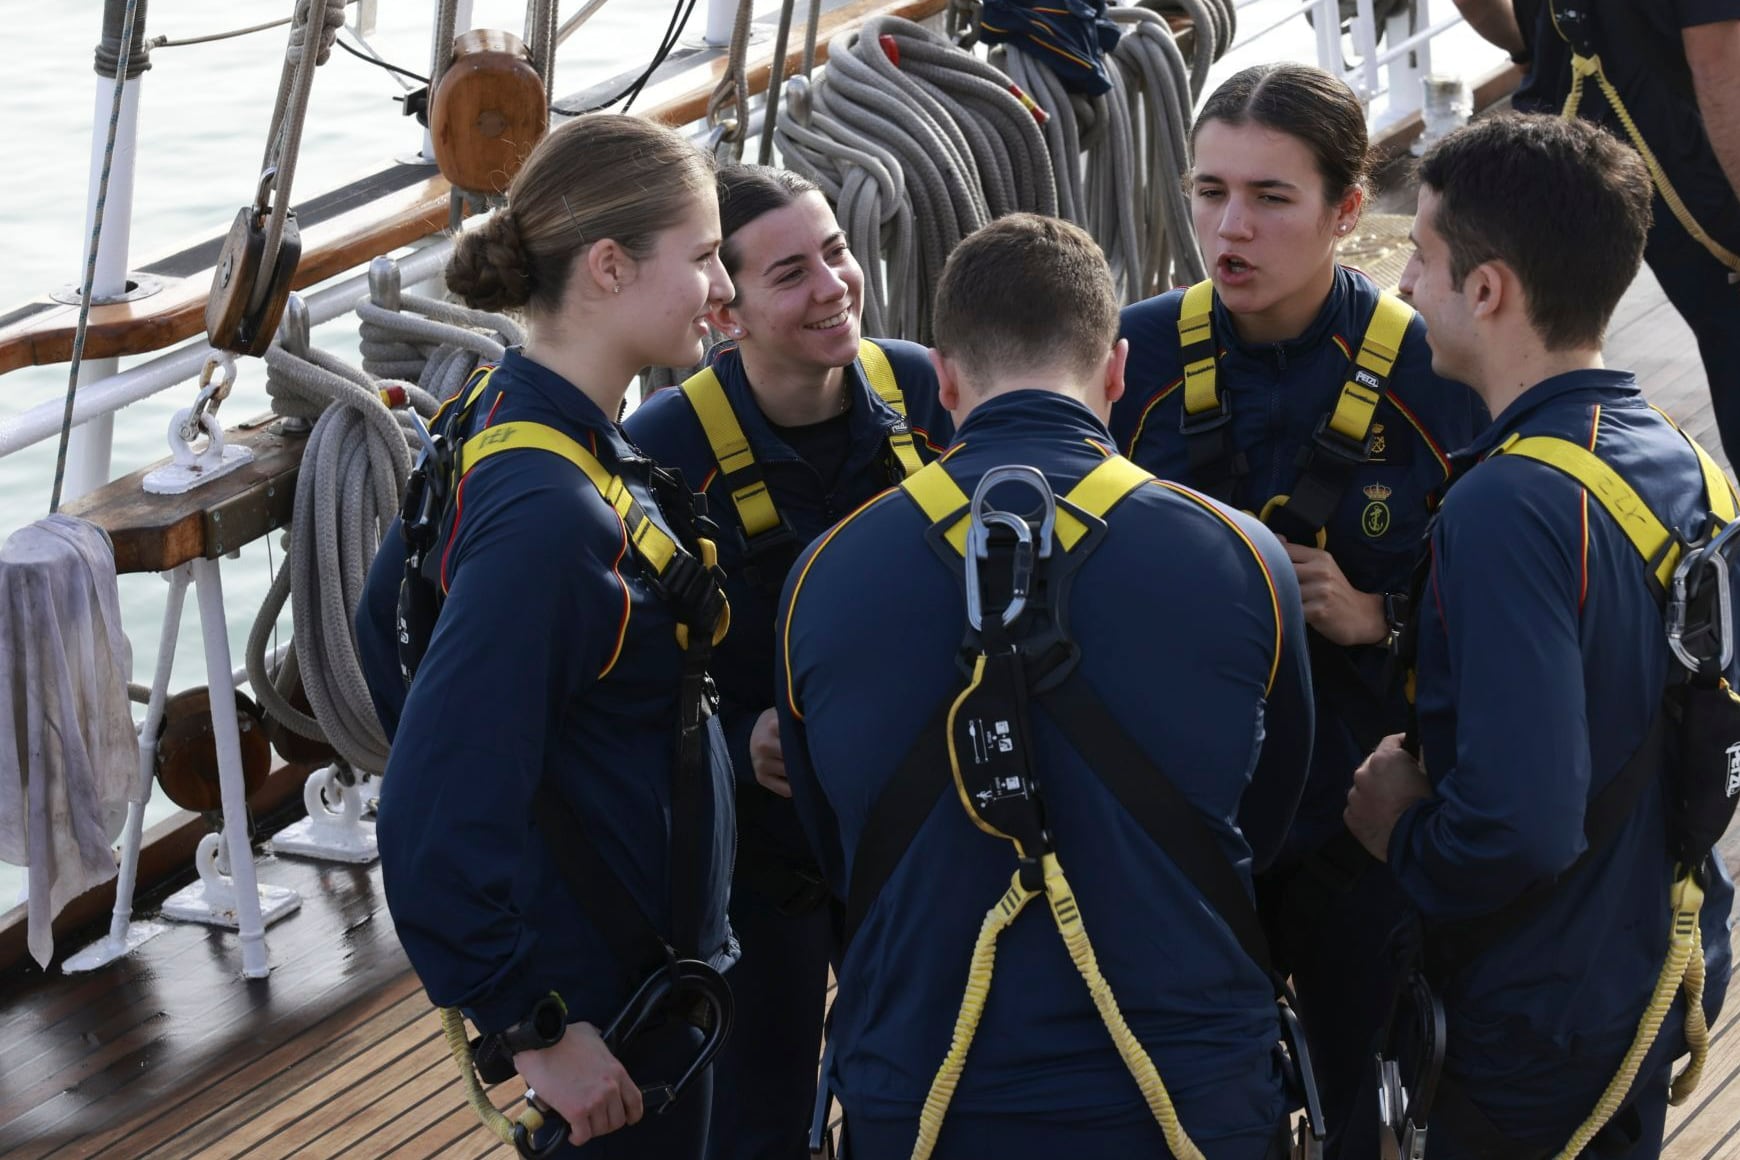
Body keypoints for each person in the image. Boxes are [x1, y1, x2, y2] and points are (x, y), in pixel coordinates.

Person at [776, 212, 1315, 1157]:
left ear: (942, 381)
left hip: (929, 1099)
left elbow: (834, 844)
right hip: (1186, 1101)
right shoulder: (1242, 557)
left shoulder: (822, 576)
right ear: (1116, 371)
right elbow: (1270, 822)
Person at [1109, 62, 1484, 1155]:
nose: (1231, 227)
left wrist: (1387, 618)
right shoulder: (1124, 367)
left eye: (1271, 198)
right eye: (1209, 191)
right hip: (1178, 830)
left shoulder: (1433, 372)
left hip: (1354, 831)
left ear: (1347, 211)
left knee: (1364, 1101)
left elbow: (1511, 601)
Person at [1345, 111, 1735, 1156]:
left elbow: (1518, 822)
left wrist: (1400, 827)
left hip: (1539, 1014)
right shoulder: (1684, 464)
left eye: (1422, 259)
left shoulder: (1507, 505)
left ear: (1489, 288)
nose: (1405, 289)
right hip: (1651, 956)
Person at [358, 114, 740, 1157]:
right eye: (704, 257)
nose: (725, 288)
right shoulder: (552, 514)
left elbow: (381, 619)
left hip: (632, 972)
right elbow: (432, 807)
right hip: (611, 1014)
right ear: (610, 266)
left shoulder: (506, 412)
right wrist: (535, 1025)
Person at [623, 163, 951, 1160]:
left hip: (921, 822)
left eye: (838, 252)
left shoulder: (928, 392)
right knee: (759, 1106)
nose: (833, 286)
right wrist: (737, 735)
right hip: (762, 859)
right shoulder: (660, 453)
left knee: (939, 1072)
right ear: (727, 313)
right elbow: (622, 683)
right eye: (792, 273)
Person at [1453, 0, 1740, 463]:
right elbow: (1718, 65)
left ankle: (1535, 500)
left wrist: (1529, 44)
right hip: (1675, 138)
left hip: (1553, 125)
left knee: (1524, 332)